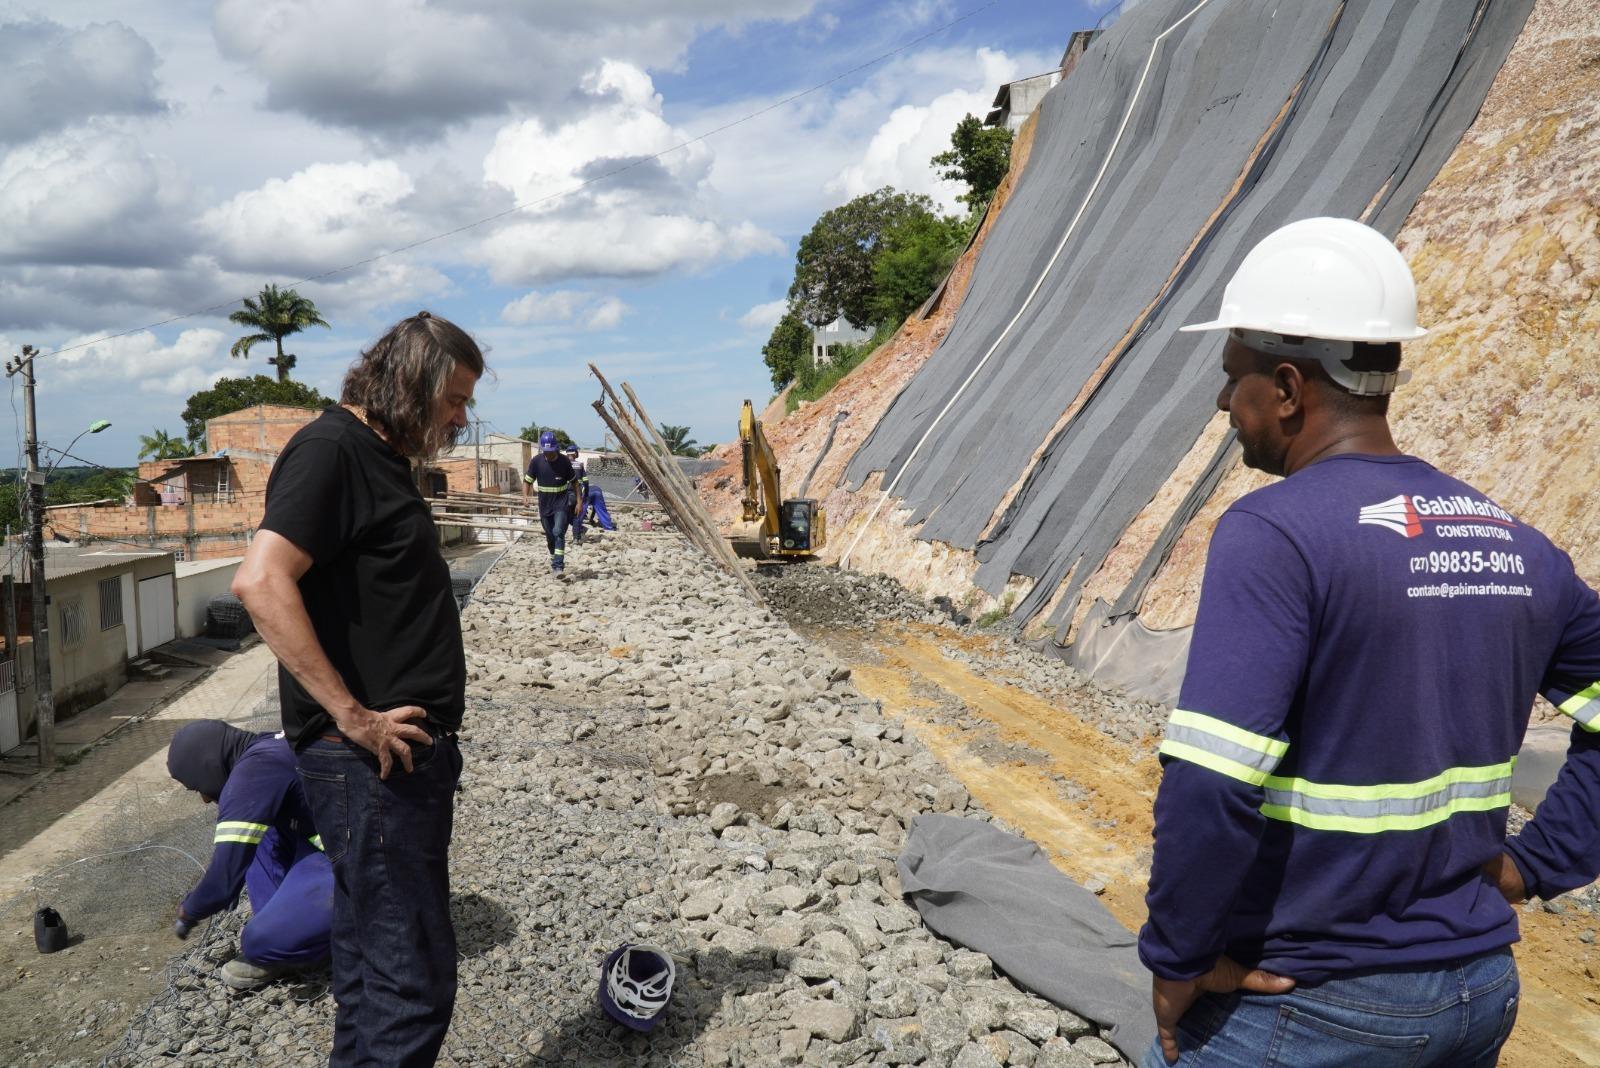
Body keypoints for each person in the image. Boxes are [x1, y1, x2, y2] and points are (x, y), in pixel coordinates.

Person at [1139, 217, 1600, 1067]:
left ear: (1285, 387)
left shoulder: (1274, 533)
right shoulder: (1517, 544)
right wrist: (1537, 865)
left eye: (1230, 376)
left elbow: (1210, 782)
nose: (1220, 403)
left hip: (1314, 1006)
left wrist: (1179, 957)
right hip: (1478, 992)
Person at [232, 311, 482, 1067]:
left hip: (383, 764)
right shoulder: (331, 450)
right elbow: (260, 581)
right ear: (412, 383)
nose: (462, 419)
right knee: (410, 980)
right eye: (455, 399)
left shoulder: (375, 455)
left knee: (373, 972)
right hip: (366, 763)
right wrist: (352, 714)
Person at [167, 720, 333, 991]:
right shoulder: (267, 747)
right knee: (257, 831)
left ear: (208, 764)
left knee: (258, 944)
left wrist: (189, 911)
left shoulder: (253, 772)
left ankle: (332, 939)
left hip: (356, 861)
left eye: (198, 787)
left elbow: (223, 881)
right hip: (324, 844)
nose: (205, 799)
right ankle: (294, 924)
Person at [523, 430, 576, 576]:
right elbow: (527, 481)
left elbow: (575, 483)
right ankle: (554, 560)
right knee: (550, 535)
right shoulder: (536, 461)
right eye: (546, 451)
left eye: (551, 451)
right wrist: (525, 496)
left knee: (558, 532)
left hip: (561, 503)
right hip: (544, 505)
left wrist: (579, 501)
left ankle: (558, 566)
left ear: (556, 448)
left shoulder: (564, 461)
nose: (548, 454)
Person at [566, 443, 589, 543]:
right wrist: (586, 494)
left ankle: (579, 531)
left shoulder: (563, 465)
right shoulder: (580, 465)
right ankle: (577, 537)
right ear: (576, 454)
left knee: (564, 515)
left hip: (565, 494)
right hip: (577, 494)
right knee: (575, 516)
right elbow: (586, 481)